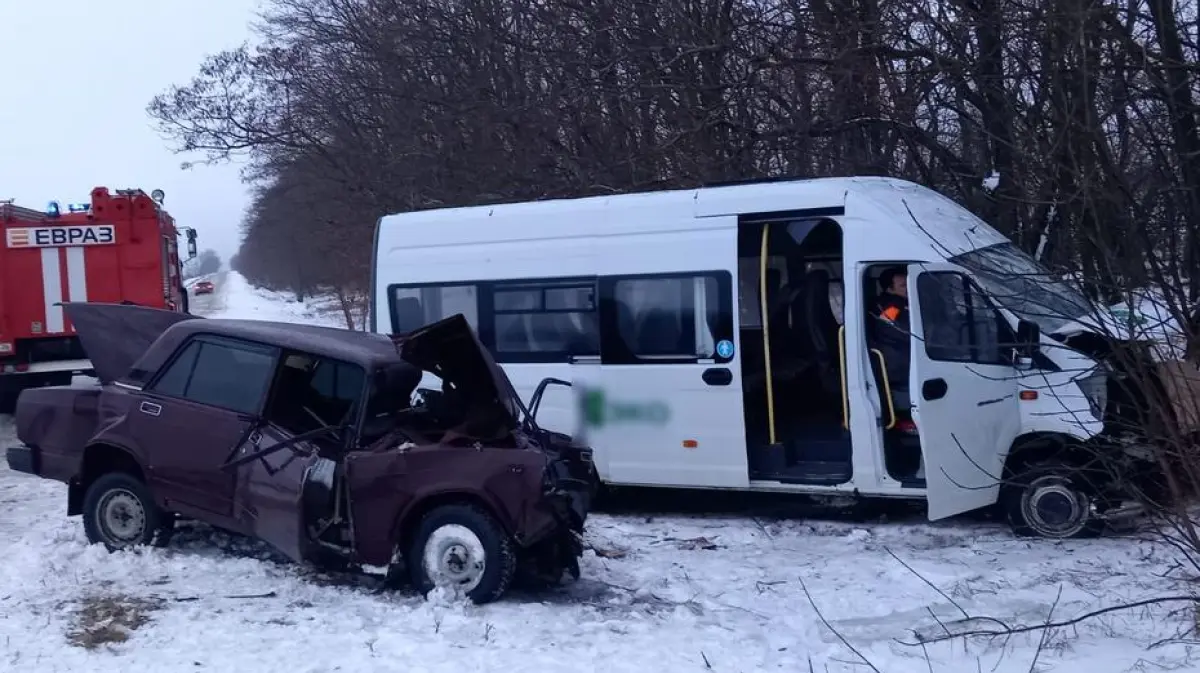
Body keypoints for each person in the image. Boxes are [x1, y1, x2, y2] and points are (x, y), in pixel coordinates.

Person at [872, 266, 910, 389]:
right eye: (903, 285)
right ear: (890, 289)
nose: (908, 288)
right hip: (897, 364)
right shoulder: (893, 306)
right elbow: (890, 329)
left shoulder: (899, 302)